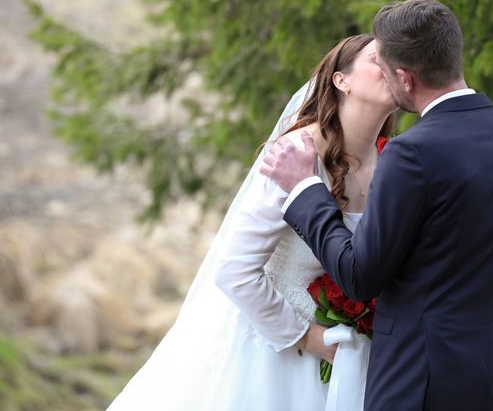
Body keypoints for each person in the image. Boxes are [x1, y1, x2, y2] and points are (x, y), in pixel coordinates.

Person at [261, 0, 493, 411]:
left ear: (405, 79)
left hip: (421, 383)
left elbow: (359, 276)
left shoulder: (411, 154)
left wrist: (305, 187)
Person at [106, 34, 398, 411]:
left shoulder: (393, 165)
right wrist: (304, 338)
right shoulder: (296, 156)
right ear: (342, 81)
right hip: (274, 353)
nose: (392, 65)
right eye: (378, 58)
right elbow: (234, 270)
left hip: (351, 359)